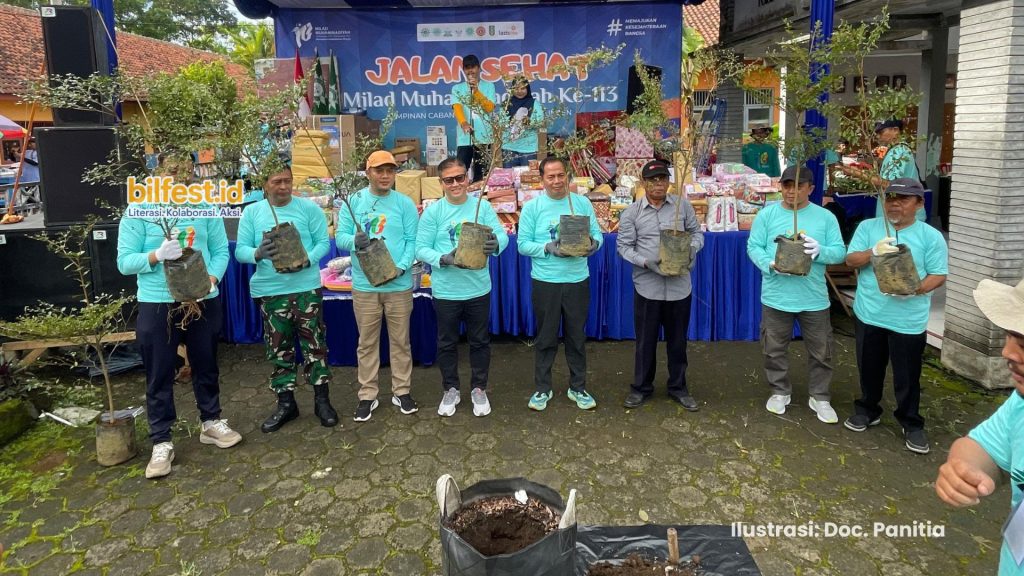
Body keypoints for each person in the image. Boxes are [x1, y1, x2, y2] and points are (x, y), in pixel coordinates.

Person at [117, 169, 240, 479]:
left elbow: (222, 250)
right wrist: (156, 255)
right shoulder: (139, 211)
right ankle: (161, 440)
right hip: (158, 303)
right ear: (155, 175)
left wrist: (212, 278)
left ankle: (210, 422)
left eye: (183, 173)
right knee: (159, 372)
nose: (177, 179)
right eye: (169, 173)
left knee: (206, 362)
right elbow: (124, 262)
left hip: (201, 298)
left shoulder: (205, 207)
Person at [843, 178, 947, 453]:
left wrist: (916, 289)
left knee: (908, 374)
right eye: (890, 198)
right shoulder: (868, 227)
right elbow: (850, 260)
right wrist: (873, 251)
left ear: (919, 203)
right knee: (869, 367)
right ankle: (868, 408)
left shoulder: (929, 236)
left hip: (908, 319)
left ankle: (911, 422)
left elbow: (939, 274)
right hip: (870, 313)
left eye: (903, 199)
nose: (895, 204)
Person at [235, 156, 338, 433]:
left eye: (288, 181)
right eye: (277, 181)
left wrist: (307, 260)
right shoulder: (252, 213)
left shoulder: (308, 210)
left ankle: (322, 400)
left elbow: (322, 244)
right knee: (279, 348)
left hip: (305, 288)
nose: (283, 187)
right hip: (271, 291)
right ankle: (286, 403)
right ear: (265, 184)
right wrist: (257, 253)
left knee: (315, 345)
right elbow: (239, 251)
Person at [935, 276, 1024, 575]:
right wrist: (962, 468)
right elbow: (982, 448)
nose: (1008, 353)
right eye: (1010, 336)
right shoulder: (1020, 404)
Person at [746, 165, 847, 423]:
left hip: (813, 298)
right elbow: (753, 246)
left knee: (821, 350)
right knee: (773, 347)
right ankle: (780, 391)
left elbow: (839, 252)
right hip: (776, 295)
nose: (791, 191)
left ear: (811, 189)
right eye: (787, 185)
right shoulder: (767, 215)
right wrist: (769, 263)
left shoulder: (825, 218)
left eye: (798, 186)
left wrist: (820, 251)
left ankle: (820, 396)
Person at [415, 157, 509, 417]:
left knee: (479, 341)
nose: (455, 184)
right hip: (447, 290)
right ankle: (451, 388)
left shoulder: (482, 206)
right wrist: (441, 259)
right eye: (449, 180)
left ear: (467, 178)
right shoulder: (434, 212)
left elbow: (501, 235)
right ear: (441, 183)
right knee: (446, 343)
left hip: (478, 288)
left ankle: (479, 388)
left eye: (460, 178)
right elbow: (420, 247)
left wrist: (496, 244)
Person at [337, 150, 420, 422]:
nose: (385, 176)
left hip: (398, 284)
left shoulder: (404, 204)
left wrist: (402, 267)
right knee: (367, 342)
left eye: (390, 171)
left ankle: (402, 391)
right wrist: (354, 242)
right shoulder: (354, 201)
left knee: (401, 341)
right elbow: (340, 237)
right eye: (379, 171)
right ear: (368, 172)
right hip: (365, 285)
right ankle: (367, 395)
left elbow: (412, 240)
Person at [616, 159, 704, 410]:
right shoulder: (631, 213)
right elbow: (623, 247)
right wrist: (645, 262)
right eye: (652, 180)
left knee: (678, 341)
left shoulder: (682, 207)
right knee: (646, 341)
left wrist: (691, 250)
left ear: (669, 182)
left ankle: (678, 387)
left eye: (662, 179)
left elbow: (697, 234)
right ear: (644, 184)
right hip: (647, 286)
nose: (658, 184)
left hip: (679, 287)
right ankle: (641, 387)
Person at [517, 156, 602, 411]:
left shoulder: (581, 203)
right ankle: (543, 388)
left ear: (568, 176)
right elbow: (521, 245)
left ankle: (578, 387)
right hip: (546, 282)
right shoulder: (533, 208)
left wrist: (593, 245)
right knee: (546, 337)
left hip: (577, 280)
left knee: (576, 337)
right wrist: (547, 247)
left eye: (560, 175)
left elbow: (597, 234)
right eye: (550, 176)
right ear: (542, 179)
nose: (556, 181)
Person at [838, 119, 925, 221]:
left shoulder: (898, 151)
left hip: (901, 218)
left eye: (881, 132)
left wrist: (856, 173)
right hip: (898, 216)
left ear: (895, 130)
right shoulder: (896, 150)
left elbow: (888, 184)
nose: (877, 136)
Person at [451, 54, 496, 182]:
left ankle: (481, 199)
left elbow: (490, 108)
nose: (470, 70)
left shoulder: (489, 86)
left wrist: (476, 91)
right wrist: (464, 123)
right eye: (467, 68)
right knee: (460, 172)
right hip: (465, 138)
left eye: (473, 67)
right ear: (464, 70)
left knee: (481, 174)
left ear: (479, 68)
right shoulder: (457, 88)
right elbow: (457, 107)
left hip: (484, 136)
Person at [502, 75, 543, 167]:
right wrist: (511, 122)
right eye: (516, 88)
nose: (519, 91)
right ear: (512, 89)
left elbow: (540, 121)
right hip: (509, 148)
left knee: (528, 179)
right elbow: (501, 122)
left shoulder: (534, 103)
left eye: (523, 88)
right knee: (509, 179)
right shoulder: (507, 103)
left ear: (527, 89)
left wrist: (527, 122)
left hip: (528, 149)